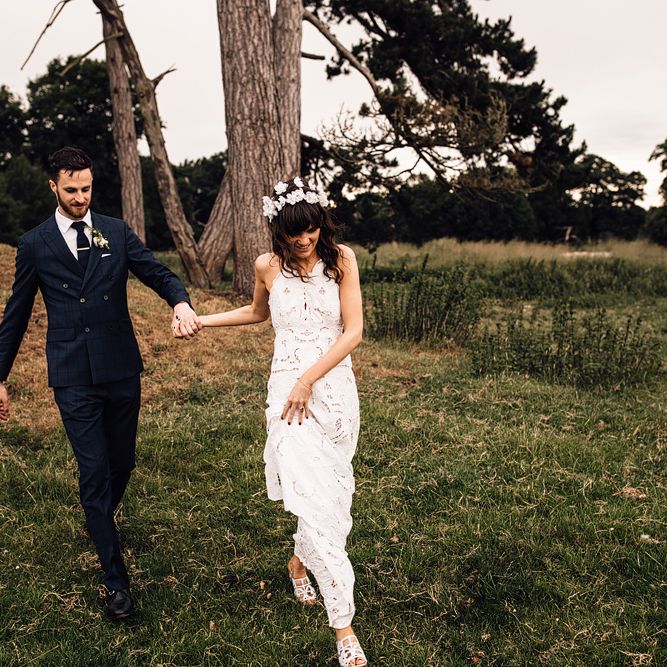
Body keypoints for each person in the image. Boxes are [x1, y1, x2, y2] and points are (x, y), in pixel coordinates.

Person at [0, 146, 202, 620]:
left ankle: (99, 518)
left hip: (120, 368)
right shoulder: (34, 244)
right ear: (53, 187)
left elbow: (156, 272)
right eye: (71, 190)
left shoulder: (114, 231)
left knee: (121, 462)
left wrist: (180, 302)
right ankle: (116, 581)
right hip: (72, 375)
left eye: (86, 189)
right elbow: (16, 314)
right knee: (93, 470)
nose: (80, 198)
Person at [195, 177, 367, 666]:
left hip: (333, 391)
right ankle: (344, 628)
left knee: (332, 495)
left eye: (311, 230)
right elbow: (256, 313)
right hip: (286, 397)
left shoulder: (343, 260)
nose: (304, 239)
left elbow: (354, 331)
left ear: (320, 224)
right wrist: (203, 321)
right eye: (294, 233)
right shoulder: (266, 266)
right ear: (279, 230)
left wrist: (309, 380)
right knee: (309, 491)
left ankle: (297, 563)